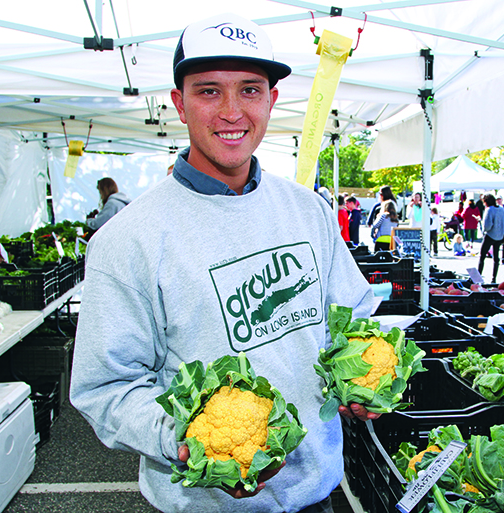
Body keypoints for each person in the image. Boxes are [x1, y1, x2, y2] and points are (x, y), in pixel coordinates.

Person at [70, 13, 377, 513]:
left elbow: (353, 317)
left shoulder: (308, 210)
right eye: (209, 91)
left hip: (319, 494)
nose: (232, 112)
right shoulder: (127, 239)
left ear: (272, 101)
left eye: (251, 90)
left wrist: (359, 378)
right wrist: (191, 446)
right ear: (179, 104)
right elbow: (105, 387)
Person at [477, 194, 504, 283]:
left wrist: (481, 224)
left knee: (482, 256)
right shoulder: (501, 209)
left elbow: (487, 226)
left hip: (490, 235)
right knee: (496, 257)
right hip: (500, 235)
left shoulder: (489, 210)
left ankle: (478, 277)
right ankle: (494, 278)